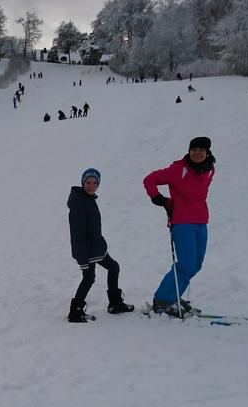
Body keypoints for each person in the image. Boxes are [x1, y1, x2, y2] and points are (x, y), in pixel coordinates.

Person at [143, 136, 216, 316]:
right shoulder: (178, 169)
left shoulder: (209, 170)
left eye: (201, 150)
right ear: (189, 151)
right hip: (182, 222)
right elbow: (149, 179)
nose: (197, 153)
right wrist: (159, 199)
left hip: (201, 221)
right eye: (194, 149)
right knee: (186, 263)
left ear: (207, 153)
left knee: (196, 265)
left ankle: (173, 296)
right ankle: (162, 301)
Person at [67, 168, 134, 322]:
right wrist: (82, 258)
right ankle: (75, 312)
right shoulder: (79, 203)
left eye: (95, 182)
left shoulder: (88, 199)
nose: (91, 185)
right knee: (89, 278)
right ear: (83, 183)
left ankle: (115, 303)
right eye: (88, 182)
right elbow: (77, 234)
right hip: (87, 251)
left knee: (113, 267)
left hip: (96, 248)